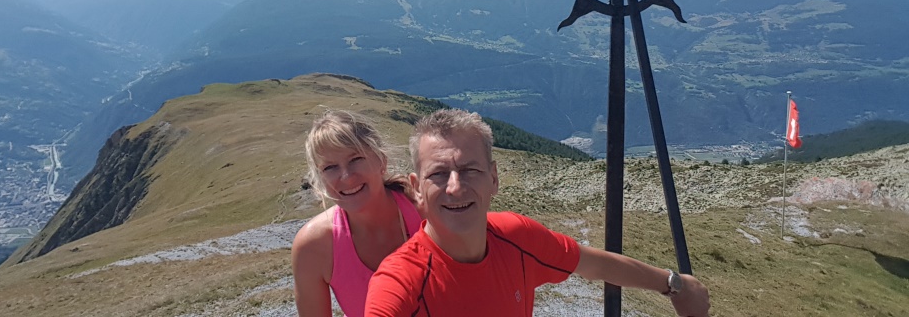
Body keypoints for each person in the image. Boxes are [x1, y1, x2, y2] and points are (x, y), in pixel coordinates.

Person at [365, 109, 711, 317]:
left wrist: (673, 285)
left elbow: (593, 264)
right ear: (417, 188)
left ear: (494, 178)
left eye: (470, 170)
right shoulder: (401, 283)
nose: (455, 187)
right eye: (438, 174)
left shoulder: (517, 237)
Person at [291, 110, 423, 317]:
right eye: (330, 168)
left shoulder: (425, 212)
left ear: (382, 160)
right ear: (319, 179)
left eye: (356, 159)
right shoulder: (314, 246)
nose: (346, 176)